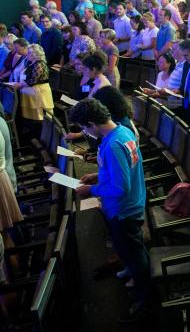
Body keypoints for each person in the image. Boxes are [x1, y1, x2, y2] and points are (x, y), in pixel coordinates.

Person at [72, 99, 150, 322]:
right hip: (130, 204)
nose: (86, 132)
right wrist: (97, 175)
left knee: (134, 252)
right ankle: (130, 269)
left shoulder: (114, 145)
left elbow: (119, 187)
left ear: (91, 123)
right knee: (127, 248)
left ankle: (144, 297)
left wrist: (92, 189)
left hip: (123, 209)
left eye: (85, 127)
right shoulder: (122, 130)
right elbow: (122, 170)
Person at [8, 44, 53, 138]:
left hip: (39, 95)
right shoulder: (31, 62)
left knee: (39, 119)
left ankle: (40, 138)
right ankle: (32, 137)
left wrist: (19, 85)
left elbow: (32, 81)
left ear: (36, 54)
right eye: (28, 53)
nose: (28, 55)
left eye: (30, 53)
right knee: (31, 120)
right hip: (30, 94)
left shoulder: (39, 64)